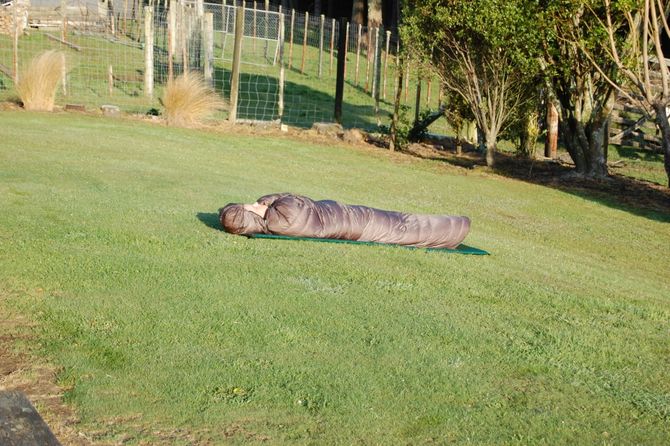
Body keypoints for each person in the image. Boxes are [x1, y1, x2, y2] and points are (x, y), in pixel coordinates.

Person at [219, 193, 471, 249]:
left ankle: (454, 227)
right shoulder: (282, 217)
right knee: (404, 228)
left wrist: (264, 204)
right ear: (252, 215)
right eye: (251, 206)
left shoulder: (274, 218)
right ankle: (457, 228)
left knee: (403, 222)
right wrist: (268, 202)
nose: (256, 203)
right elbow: (297, 200)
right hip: (359, 225)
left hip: (349, 217)